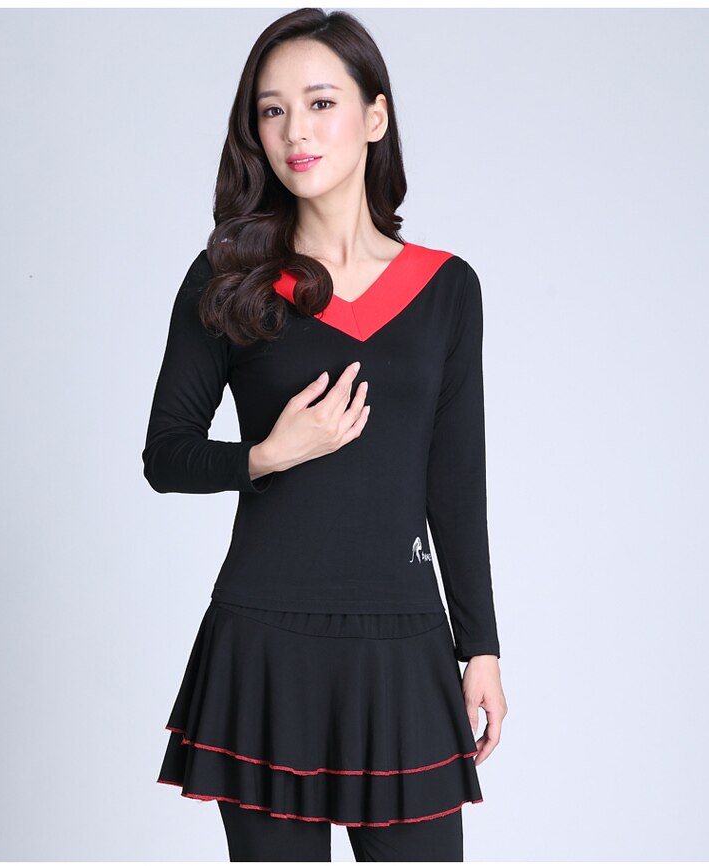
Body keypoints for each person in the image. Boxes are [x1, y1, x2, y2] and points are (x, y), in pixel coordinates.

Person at [142, 7, 508, 862]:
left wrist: (482, 648)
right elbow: (166, 454)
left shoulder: (446, 290)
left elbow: (456, 484)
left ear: (375, 117)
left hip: (404, 641)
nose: (295, 132)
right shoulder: (228, 278)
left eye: (319, 103)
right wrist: (272, 453)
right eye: (272, 111)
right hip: (265, 641)